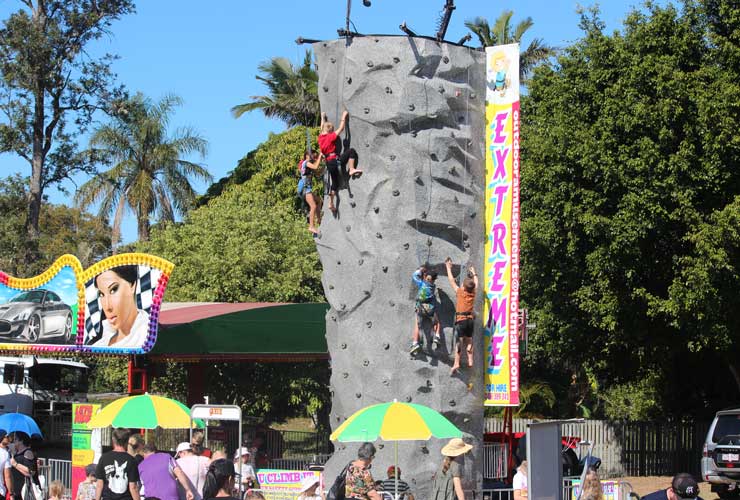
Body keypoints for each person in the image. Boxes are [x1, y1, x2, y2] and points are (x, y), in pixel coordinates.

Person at [92, 265, 149, 347]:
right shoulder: (100, 344)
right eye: (101, 294)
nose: (108, 307)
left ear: (132, 285)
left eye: (113, 290)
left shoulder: (145, 337)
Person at [318, 110, 362, 214]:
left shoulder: (320, 138)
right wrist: (343, 116)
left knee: (335, 183)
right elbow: (341, 129)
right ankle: (351, 169)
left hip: (329, 164)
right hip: (335, 160)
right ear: (330, 131)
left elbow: (322, 127)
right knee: (351, 151)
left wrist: (323, 117)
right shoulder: (330, 137)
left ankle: (331, 203)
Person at [444, 258, 478, 373]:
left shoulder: (460, 293)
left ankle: (456, 363)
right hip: (470, 321)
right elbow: (476, 283)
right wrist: (474, 273)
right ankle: (470, 360)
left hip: (461, 321)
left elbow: (451, 280)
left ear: (463, 287)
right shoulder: (473, 293)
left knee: (459, 342)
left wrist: (448, 268)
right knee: (469, 341)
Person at [95, 428, 141, 500]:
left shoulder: (104, 458)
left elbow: (99, 485)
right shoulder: (131, 460)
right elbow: (133, 487)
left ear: (113, 440)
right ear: (127, 441)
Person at [410, 266, 441, 355]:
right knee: (437, 322)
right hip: (430, 309)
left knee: (417, 325)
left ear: (424, 277)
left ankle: (415, 343)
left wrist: (420, 270)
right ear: (434, 280)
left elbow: (414, 275)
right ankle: (437, 336)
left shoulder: (421, 284)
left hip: (420, 308)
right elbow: (430, 280)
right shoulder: (432, 287)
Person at [297, 151, 324, 235]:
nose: (315, 159)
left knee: (319, 200)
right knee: (313, 206)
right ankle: (311, 226)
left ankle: (319, 219)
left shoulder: (309, 166)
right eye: (314, 157)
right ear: (308, 156)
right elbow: (316, 167)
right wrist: (320, 156)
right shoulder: (306, 163)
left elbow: (318, 173)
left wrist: (325, 166)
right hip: (305, 189)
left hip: (308, 189)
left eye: (316, 157)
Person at [8, 431, 39, 500]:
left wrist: (15, 464)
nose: (14, 441)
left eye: (16, 439)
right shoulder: (16, 452)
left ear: (21, 441)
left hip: (26, 489)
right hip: (17, 489)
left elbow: (31, 472)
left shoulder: (28, 452)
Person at [0, 431, 12, 500]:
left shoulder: (6, 452)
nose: (8, 438)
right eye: (6, 436)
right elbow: (8, 476)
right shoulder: (5, 454)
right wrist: (11, 494)